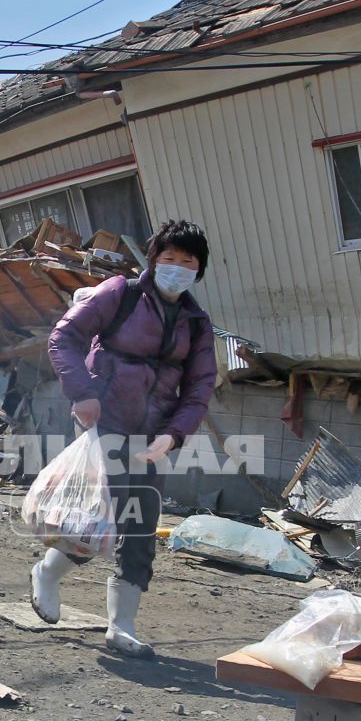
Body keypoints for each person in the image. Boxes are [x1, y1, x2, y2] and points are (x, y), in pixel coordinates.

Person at [35, 220, 218, 657]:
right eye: (168, 259)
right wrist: (82, 393)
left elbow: (199, 387)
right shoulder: (121, 293)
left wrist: (173, 436)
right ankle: (47, 573)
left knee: (141, 524)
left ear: (199, 269)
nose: (176, 268)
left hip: (153, 435)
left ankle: (122, 627)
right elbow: (63, 337)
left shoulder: (196, 322)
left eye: (186, 261)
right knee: (101, 520)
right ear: (152, 261)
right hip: (107, 420)